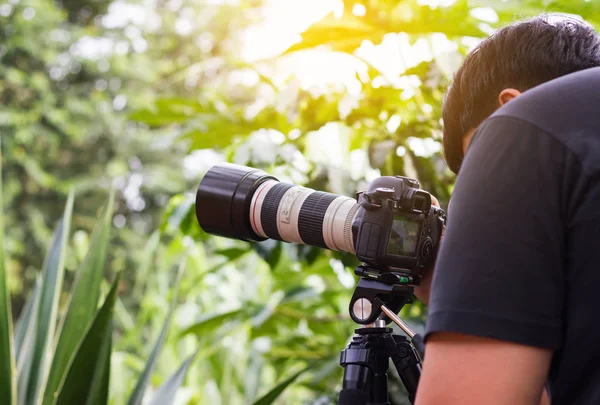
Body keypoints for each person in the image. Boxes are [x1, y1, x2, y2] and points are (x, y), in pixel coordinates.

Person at [413, 15, 600, 405]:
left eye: (476, 172)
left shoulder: (517, 129)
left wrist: (463, 297)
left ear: (509, 109)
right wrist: (489, 299)